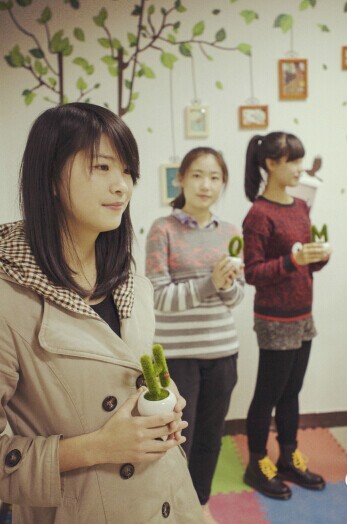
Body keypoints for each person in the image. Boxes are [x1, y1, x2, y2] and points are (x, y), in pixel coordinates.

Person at [0, 103, 203, 523]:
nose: (122, 187)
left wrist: (163, 401)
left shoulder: (131, 280)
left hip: (171, 499)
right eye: (102, 167)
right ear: (50, 177)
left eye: (127, 171)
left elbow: (128, 372)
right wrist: (97, 447)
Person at [145, 147, 245, 523]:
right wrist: (210, 283)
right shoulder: (162, 229)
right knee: (173, 438)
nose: (206, 185)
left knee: (210, 436)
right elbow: (159, 297)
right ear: (181, 179)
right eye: (198, 175)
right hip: (177, 355)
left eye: (215, 177)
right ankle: (172, 507)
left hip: (222, 351)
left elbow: (236, 297)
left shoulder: (231, 232)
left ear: (223, 184)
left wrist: (226, 284)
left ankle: (200, 505)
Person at [240, 132, 330, 500]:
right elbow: (252, 273)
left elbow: (303, 262)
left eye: (300, 160)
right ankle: (257, 464)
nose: (299, 169)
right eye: (292, 161)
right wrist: (293, 260)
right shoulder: (258, 214)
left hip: (303, 313)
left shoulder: (301, 206)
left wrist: (317, 258)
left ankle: (289, 458)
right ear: (270, 164)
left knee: (291, 392)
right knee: (267, 395)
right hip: (275, 319)